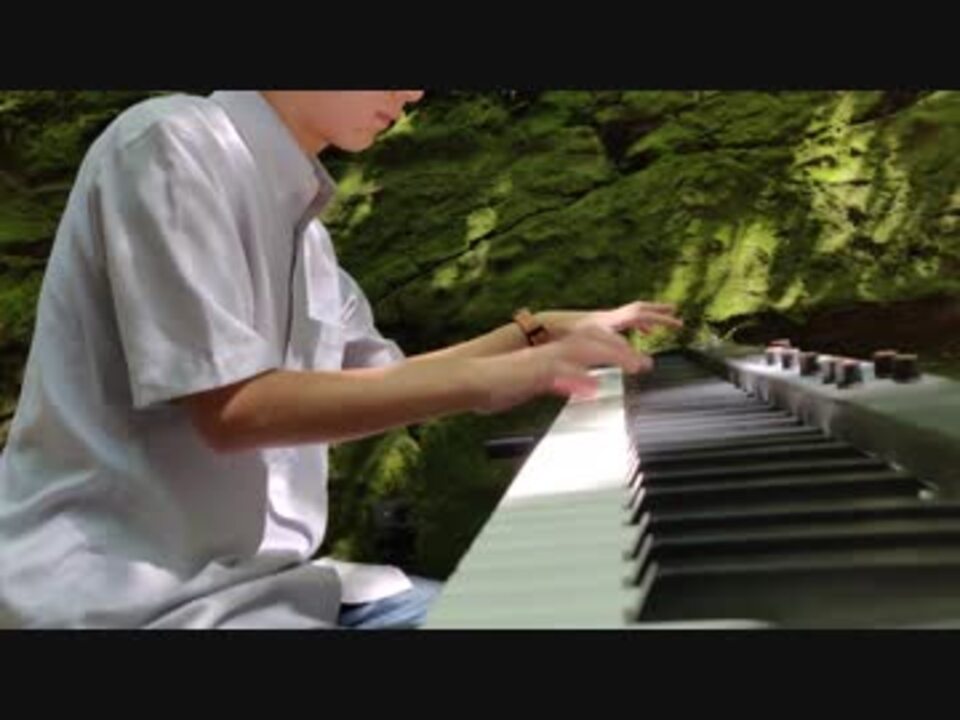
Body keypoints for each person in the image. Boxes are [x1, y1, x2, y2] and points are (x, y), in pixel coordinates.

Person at [0, 91, 682, 628]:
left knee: (572, 616)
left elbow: (386, 380)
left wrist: (538, 333)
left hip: (271, 591)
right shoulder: (167, 143)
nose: (413, 92)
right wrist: (499, 375)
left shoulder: (309, 240)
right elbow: (235, 410)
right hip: (124, 607)